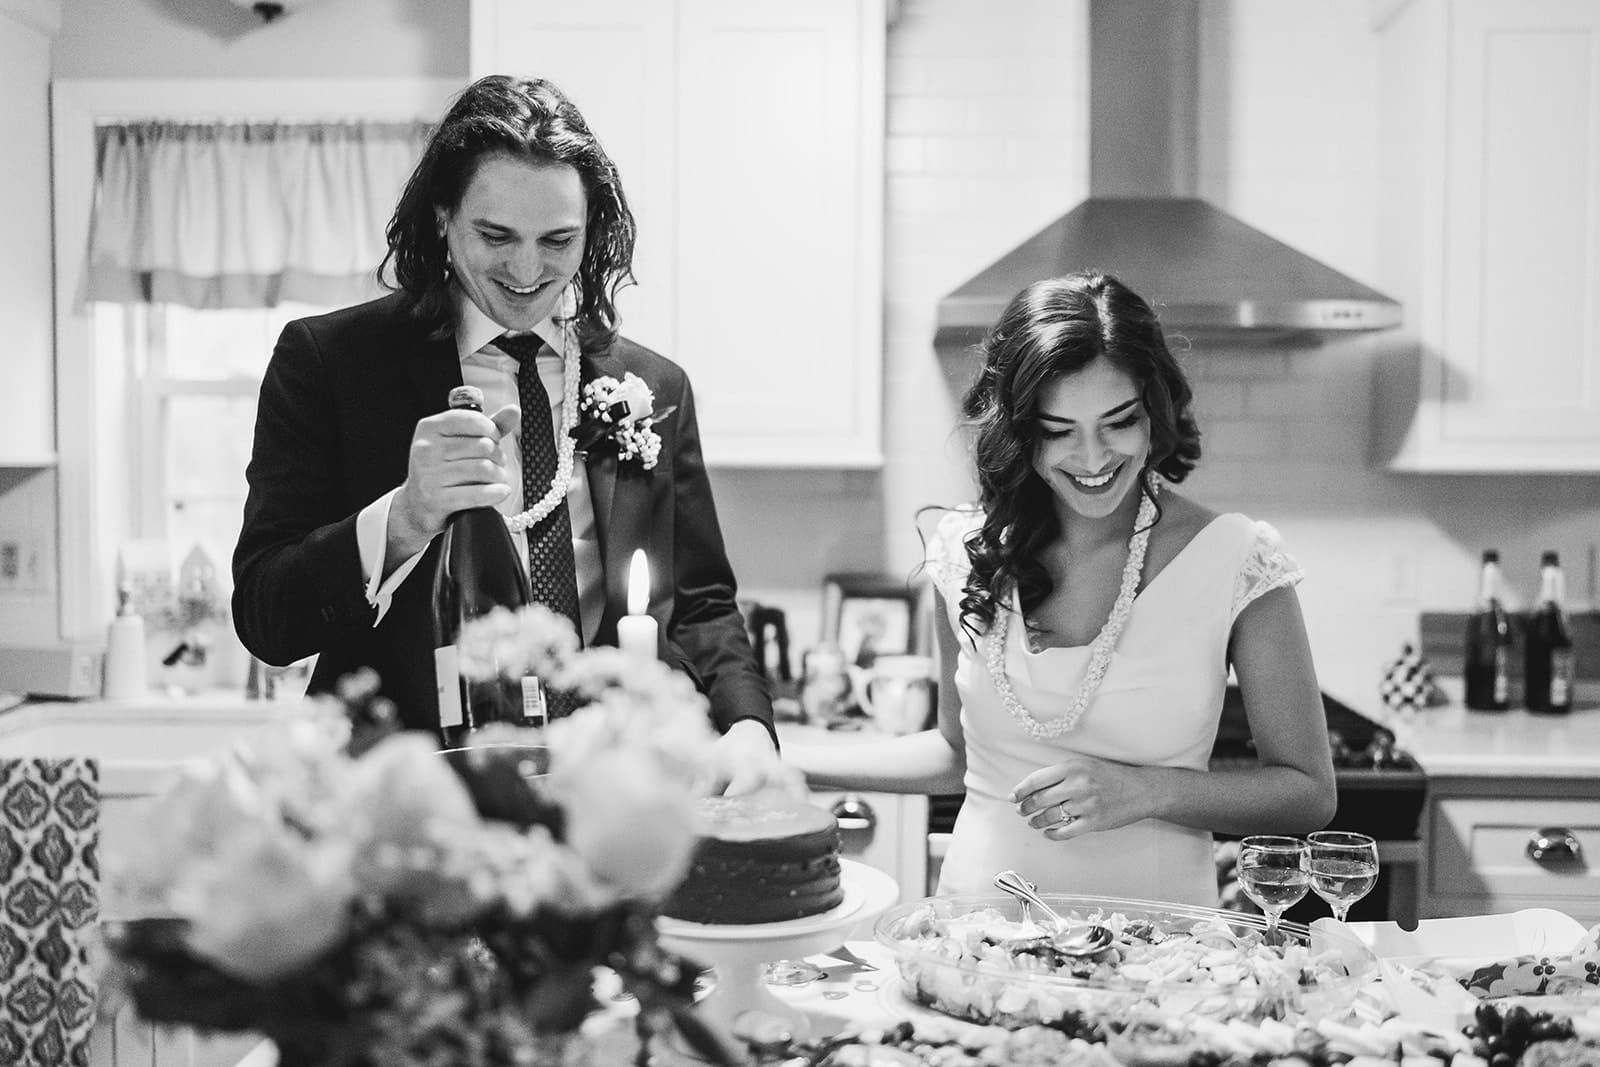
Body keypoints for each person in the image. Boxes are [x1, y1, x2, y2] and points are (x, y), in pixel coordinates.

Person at [232, 75, 780, 792]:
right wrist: (403, 519)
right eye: (496, 237)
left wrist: (748, 726)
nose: (527, 272)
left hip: (613, 800)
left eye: (558, 241)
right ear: (441, 216)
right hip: (405, 812)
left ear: (593, 231)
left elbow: (703, 603)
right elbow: (266, 615)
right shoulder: (329, 363)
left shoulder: (657, 387)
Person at [788, 272, 1336, 904]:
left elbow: (1308, 792)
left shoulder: (1237, 558)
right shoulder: (965, 553)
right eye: (1058, 430)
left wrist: (1148, 791)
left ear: (1153, 413)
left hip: (1162, 957)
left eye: (1118, 422)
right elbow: (953, 750)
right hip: (977, 940)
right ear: (1022, 430)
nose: (1094, 457)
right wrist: (792, 760)